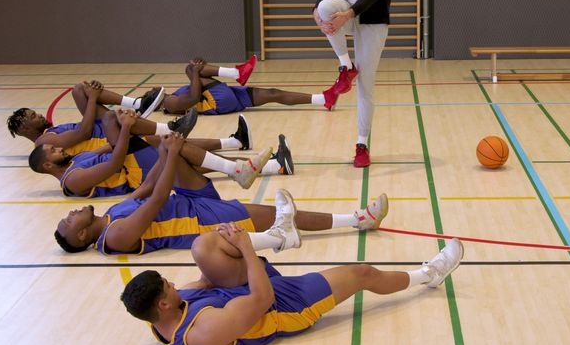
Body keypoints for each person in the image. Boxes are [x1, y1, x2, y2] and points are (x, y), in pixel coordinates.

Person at [120, 225, 463, 345]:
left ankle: (281, 232)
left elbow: (205, 282)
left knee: (204, 246)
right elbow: (263, 300)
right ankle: (430, 274)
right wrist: (244, 248)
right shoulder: (204, 333)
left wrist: (227, 252)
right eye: (168, 285)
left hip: (245, 292)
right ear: (163, 304)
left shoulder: (161, 317)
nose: (174, 284)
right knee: (362, 273)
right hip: (282, 305)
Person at [54, 134, 389, 255]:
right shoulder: (114, 237)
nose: (71, 213)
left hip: (189, 200)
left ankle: (236, 170)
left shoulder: (111, 215)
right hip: (200, 221)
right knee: (275, 216)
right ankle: (360, 220)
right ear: (82, 235)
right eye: (69, 221)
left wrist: (166, 151)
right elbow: (155, 199)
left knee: (174, 143)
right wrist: (167, 157)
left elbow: (145, 188)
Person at [313, 0, 401, 167]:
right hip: (347, 9)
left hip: (371, 18)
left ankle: (362, 144)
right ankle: (344, 66)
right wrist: (316, 11)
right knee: (327, 6)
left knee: (366, 86)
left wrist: (349, 13)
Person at [29, 110, 273, 196]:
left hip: (130, 161)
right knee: (113, 119)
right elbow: (113, 165)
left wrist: (120, 139)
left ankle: (271, 165)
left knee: (184, 154)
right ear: (48, 166)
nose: (59, 148)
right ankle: (237, 167)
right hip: (132, 174)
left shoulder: (74, 161)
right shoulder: (72, 179)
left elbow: (104, 151)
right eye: (53, 151)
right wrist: (125, 130)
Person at [6, 80, 203, 156]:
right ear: (25, 129)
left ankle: (138, 104)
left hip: (100, 128)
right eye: (34, 116)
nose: (40, 115)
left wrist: (90, 96)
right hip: (107, 136)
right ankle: (169, 129)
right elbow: (84, 132)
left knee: (79, 89)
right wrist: (92, 99)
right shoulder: (44, 141)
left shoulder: (49, 134)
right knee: (185, 146)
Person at [138, 57, 335, 115]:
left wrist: (201, 66)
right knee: (190, 68)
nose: (152, 88)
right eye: (149, 92)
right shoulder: (169, 104)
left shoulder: (171, 97)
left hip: (225, 96)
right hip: (216, 102)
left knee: (272, 93)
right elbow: (192, 99)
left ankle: (323, 100)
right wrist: (195, 73)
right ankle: (237, 73)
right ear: (153, 101)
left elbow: (199, 87)